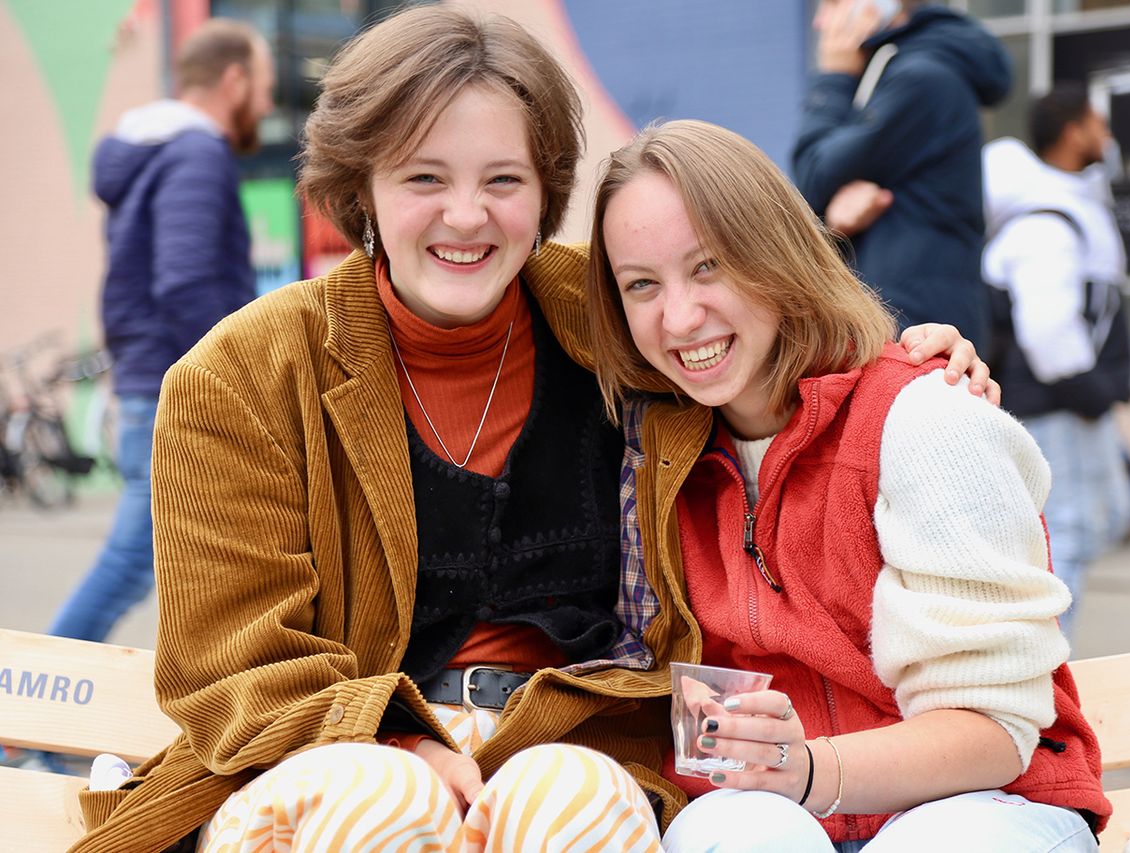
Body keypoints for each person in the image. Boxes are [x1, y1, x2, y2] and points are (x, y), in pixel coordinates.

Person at [69, 9, 992, 851]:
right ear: (362, 187)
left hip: (582, 743)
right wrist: (403, 742)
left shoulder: (618, 320)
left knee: (570, 802)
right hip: (327, 754)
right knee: (381, 802)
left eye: (502, 180)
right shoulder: (242, 375)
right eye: (424, 177)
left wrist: (906, 361)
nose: (465, 217)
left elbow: (756, 340)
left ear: (544, 190)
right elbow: (229, 662)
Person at [584, 120, 1110, 852]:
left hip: (982, 804)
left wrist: (804, 769)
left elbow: (995, 735)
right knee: (733, 834)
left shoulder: (927, 416)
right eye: (642, 284)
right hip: (772, 811)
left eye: (708, 266)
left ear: (773, 252)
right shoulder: (658, 456)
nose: (678, 316)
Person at [46, 18, 275, 646]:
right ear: (234, 80)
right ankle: (26, 707)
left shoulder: (161, 154)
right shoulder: (197, 152)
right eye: (263, 84)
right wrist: (247, 370)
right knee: (131, 561)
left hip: (154, 381)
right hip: (177, 389)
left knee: (199, 566)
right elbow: (188, 282)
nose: (267, 102)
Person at [982, 85, 1130, 641]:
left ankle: (1038, 664)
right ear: (1074, 132)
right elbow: (1047, 329)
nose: (1107, 137)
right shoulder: (1045, 218)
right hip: (1057, 402)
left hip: (1071, 400)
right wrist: (1089, 391)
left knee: (1101, 521)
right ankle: (1040, 676)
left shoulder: (1072, 205)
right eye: (1100, 124)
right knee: (1068, 531)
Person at [792, 0, 1011, 354]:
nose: (819, 22)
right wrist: (833, 223)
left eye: (831, 4)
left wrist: (832, 78)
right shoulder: (895, 71)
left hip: (915, 329)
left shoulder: (920, 79)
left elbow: (811, 176)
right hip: (912, 320)